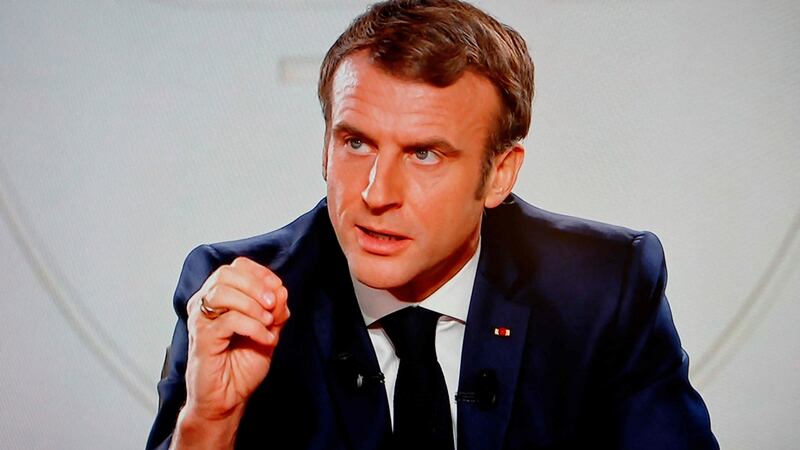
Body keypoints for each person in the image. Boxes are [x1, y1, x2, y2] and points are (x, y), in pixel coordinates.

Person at [147, 1, 718, 449]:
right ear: (324, 147)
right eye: (355, 142)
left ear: (499, 174)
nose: (376, 194)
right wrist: (208, 423)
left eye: (424, 154)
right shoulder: (239, 295)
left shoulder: (602, 290)